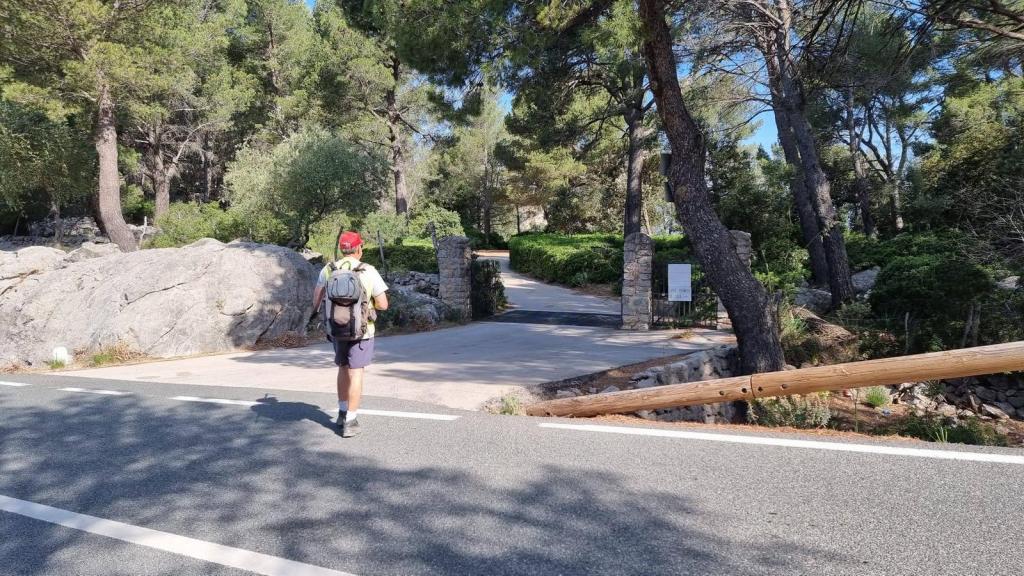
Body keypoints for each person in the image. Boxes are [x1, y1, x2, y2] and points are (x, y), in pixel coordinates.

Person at [312, 231, 388, 437]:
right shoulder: (368, 271)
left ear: (342, 249)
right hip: (362, 332)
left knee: (342, 368)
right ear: (359, 249)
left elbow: (316, 300)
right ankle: (351, 421)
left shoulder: (329, 269)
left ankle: (342, 412)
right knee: (357, 373)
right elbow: (383, 304)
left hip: (336, 329)